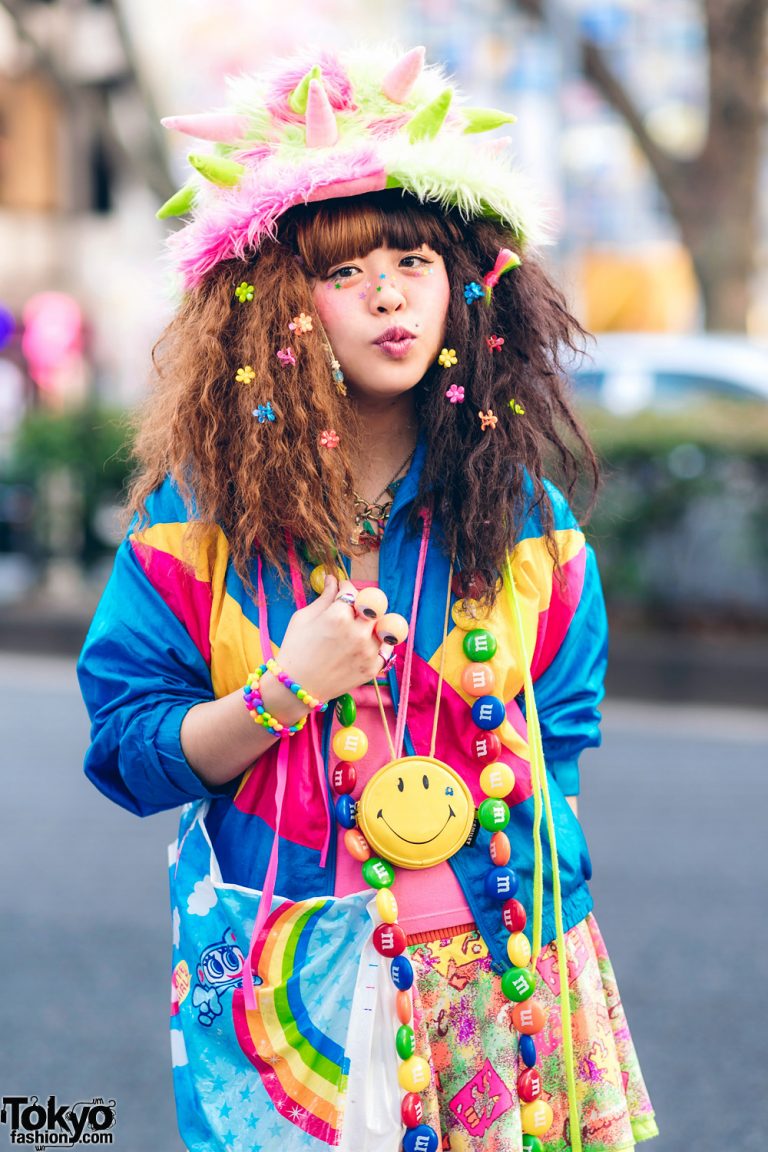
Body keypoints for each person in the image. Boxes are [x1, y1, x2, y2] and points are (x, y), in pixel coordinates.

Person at [77, 44, 658, 1152]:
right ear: (272, 313)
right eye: (343, 273)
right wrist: (285, 691)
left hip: (507, 974)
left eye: (415, 259)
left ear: (467, 285)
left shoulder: (530, 523)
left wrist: (551, 919)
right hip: (292, 974)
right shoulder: (196, 527)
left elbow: (562, 742)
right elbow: (128, 752)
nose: (389, 294)